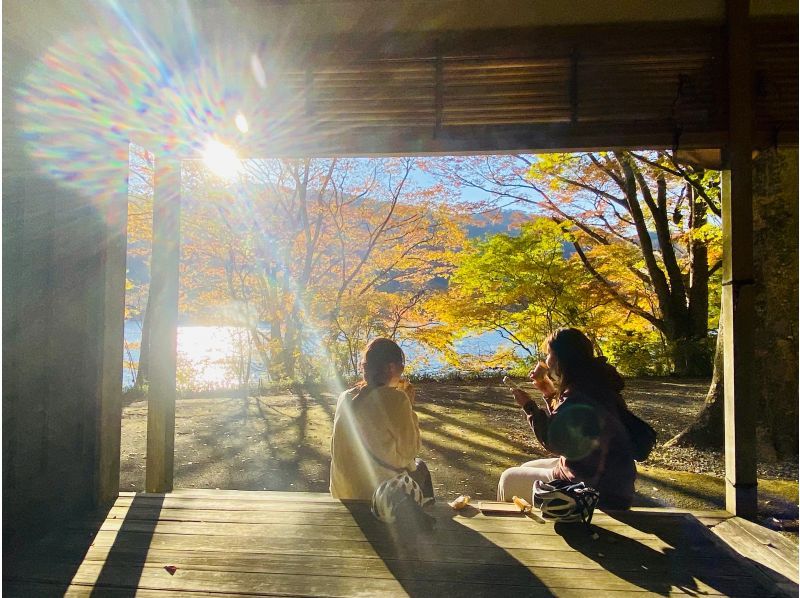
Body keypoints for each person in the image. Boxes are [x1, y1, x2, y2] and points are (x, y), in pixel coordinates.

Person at [497, 328, 636, 509]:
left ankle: (514, 531)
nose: (546, 361)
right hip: (609, 477)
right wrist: (549, 393)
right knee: (526, 467)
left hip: (591, 487)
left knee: (508, 478)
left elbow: (555, 442)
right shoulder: (597, 382)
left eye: (549, 354)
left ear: (559, 359)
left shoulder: (580, 393)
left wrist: (529, 407)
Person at [330, 337, 433, 502]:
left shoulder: (345, 397)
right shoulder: (397, 399)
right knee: (421, 468)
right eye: (402, 367)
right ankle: (423, 521)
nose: (402, 372)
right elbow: (411, 450)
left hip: (343, 491)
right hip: (380, 495)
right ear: (391, 367)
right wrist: (410, 407)